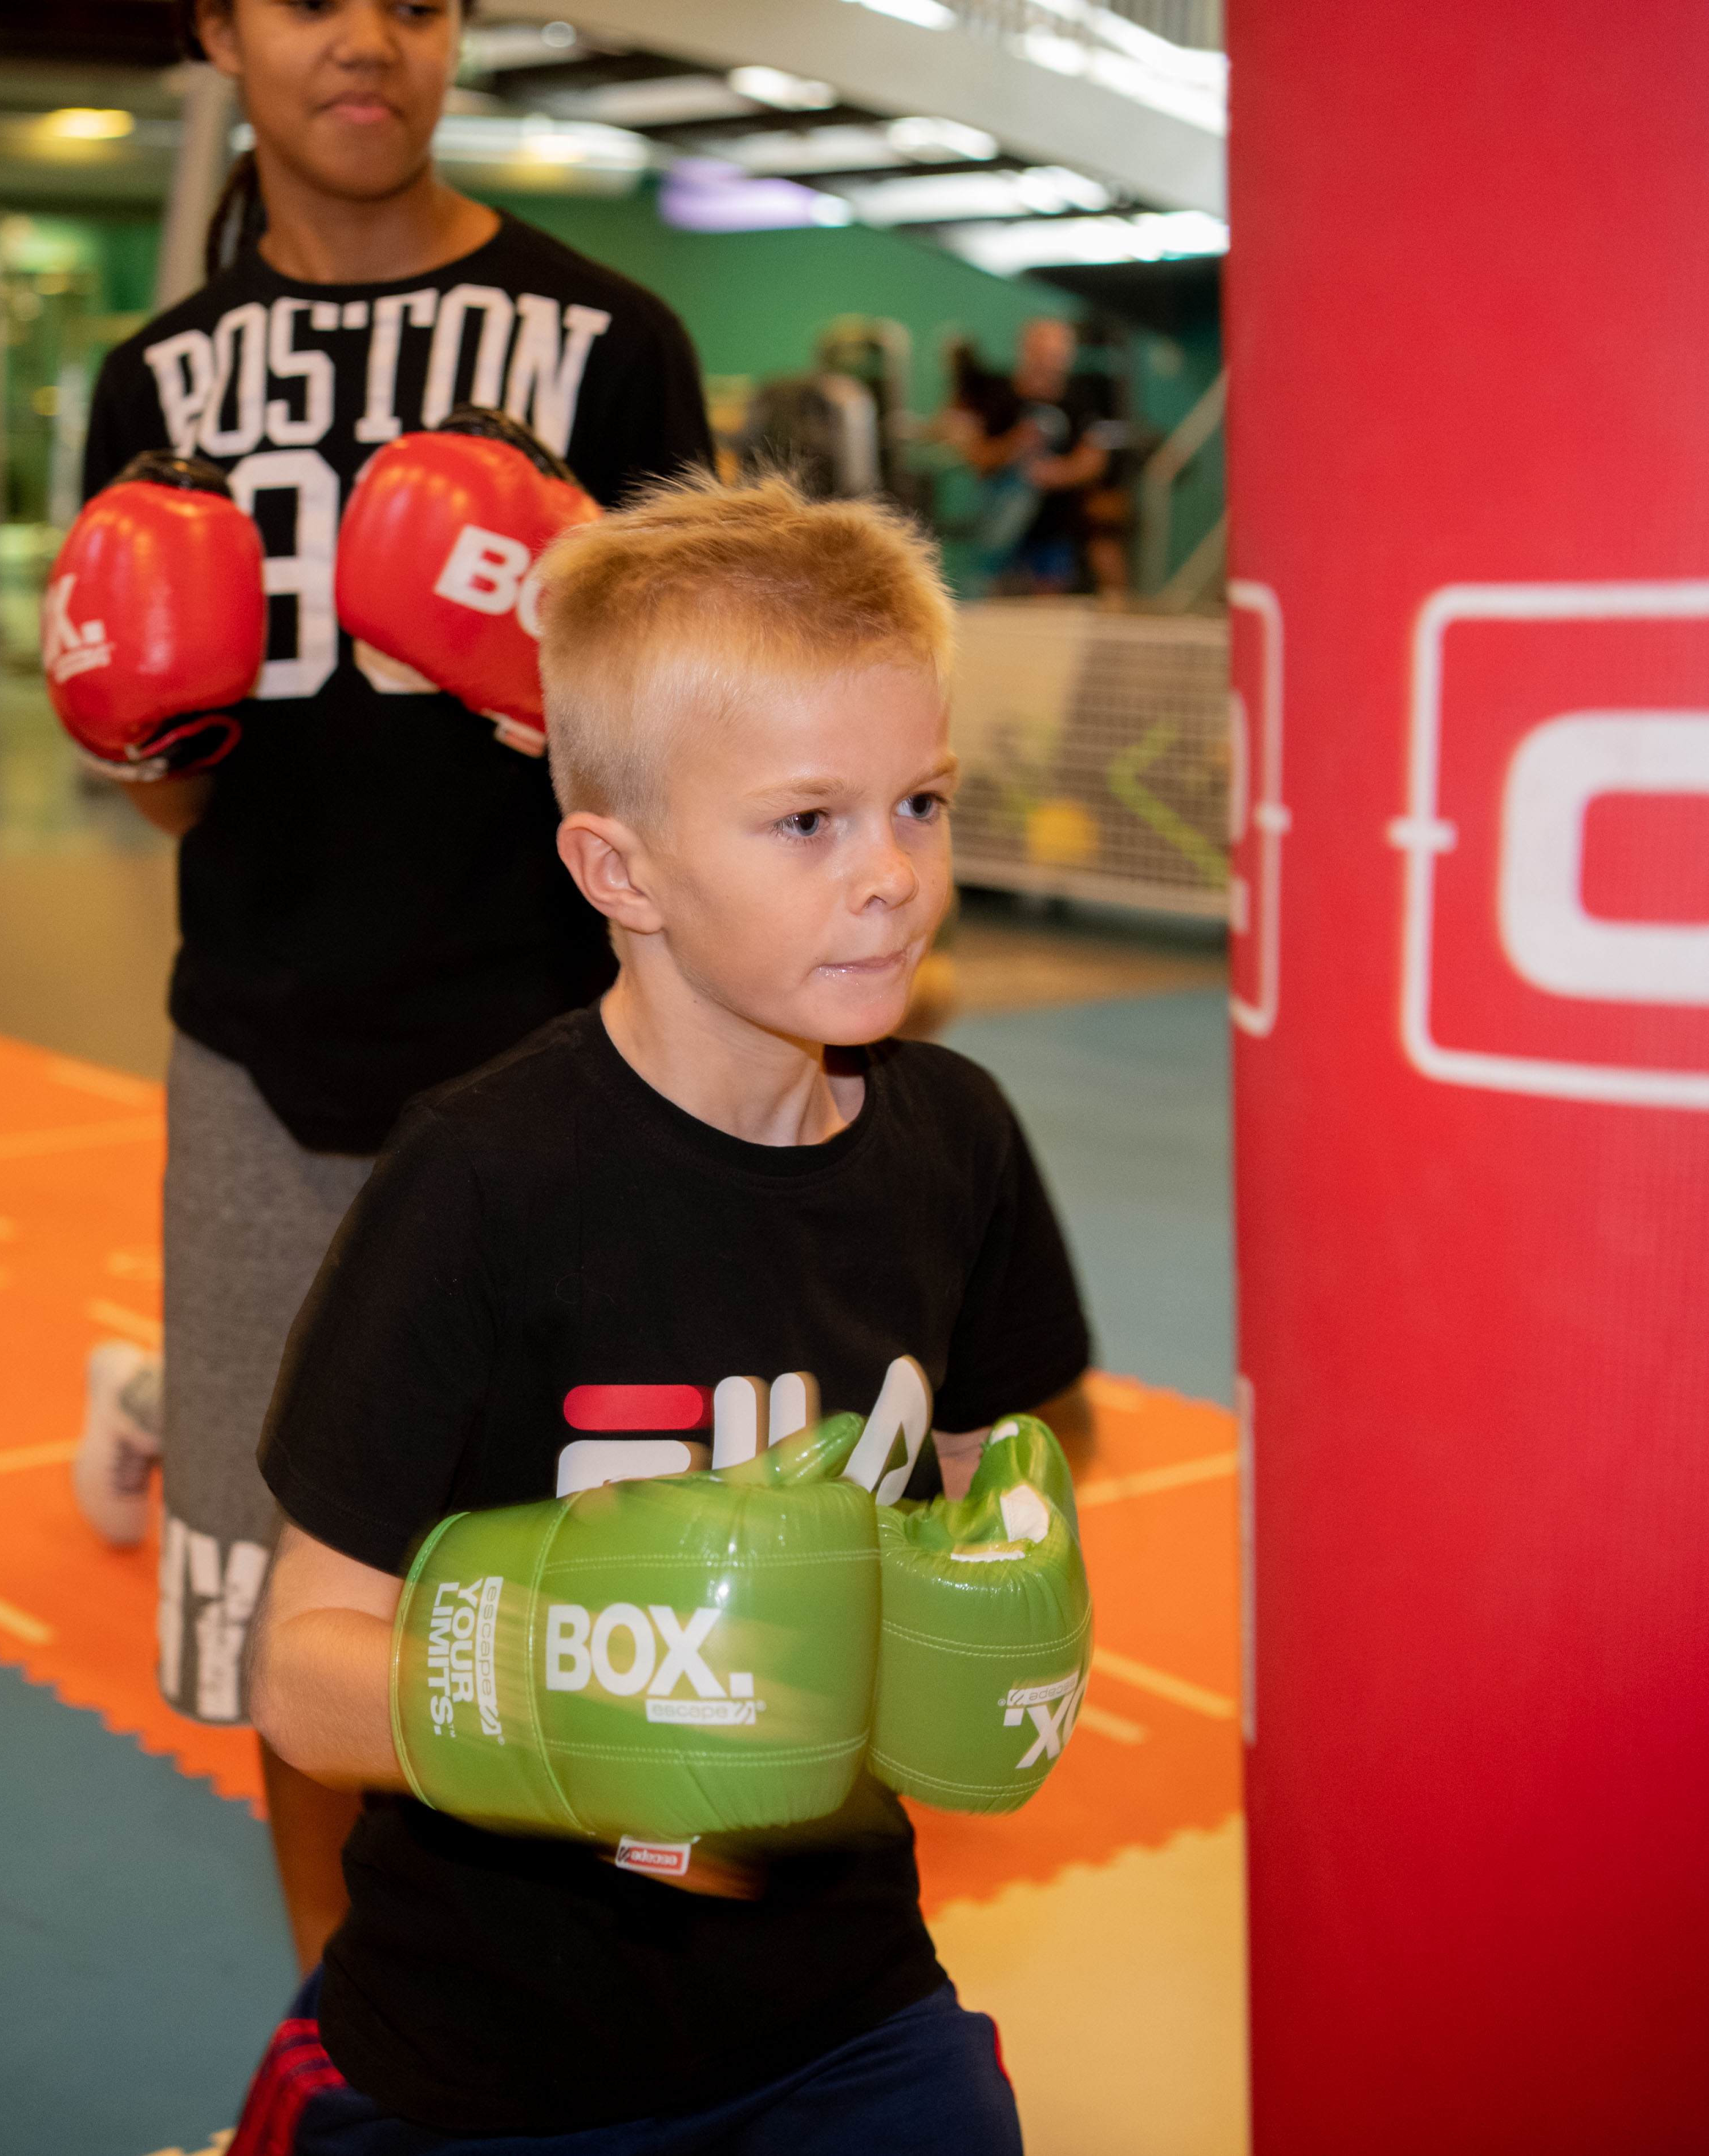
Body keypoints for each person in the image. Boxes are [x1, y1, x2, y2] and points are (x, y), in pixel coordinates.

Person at [238, 475, 1097, 2148]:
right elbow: (300, 1674)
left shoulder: (958, 1142)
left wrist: (992, 1597)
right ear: (615, 867)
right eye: (809, 823)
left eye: (919, 802)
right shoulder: (484, 1183)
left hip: (846, 2004)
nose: (892, 880)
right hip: (498, 2057)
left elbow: (994, 1470)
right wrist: (581, 1710)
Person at [68, 0, 712, 1973]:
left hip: (573, 1086)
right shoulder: (157, 376)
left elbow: (701, 762)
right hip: (266, 1075)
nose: (370, 39)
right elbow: (173, 808)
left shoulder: (611, 343)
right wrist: (141, 730)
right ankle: (339, 2057)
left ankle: (588, 2057)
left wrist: (576, 687)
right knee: (300, 1615)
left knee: (596, 1619)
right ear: (221, 27)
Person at [947, 316, 1124, 596]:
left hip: (1054, 529)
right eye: (1044, 352)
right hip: (997, 527)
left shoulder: (1084, 401)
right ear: (1026, 350)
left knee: (1048, 608)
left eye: (1058, 353)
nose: (1051, 361)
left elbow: (1094, 460)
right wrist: (1014, 445)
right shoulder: (996, 396)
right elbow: (976, 455)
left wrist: (1055, 474)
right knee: (990, 602)